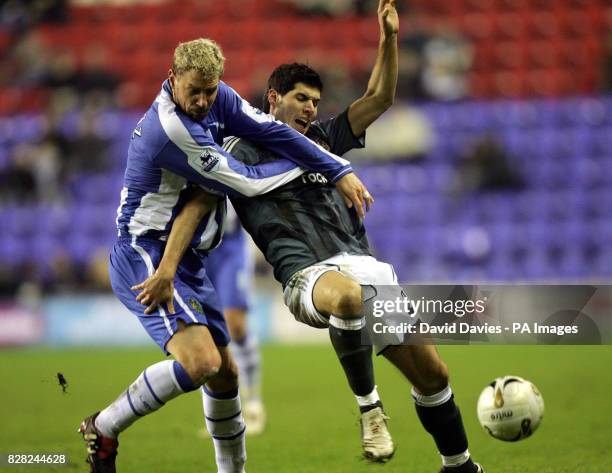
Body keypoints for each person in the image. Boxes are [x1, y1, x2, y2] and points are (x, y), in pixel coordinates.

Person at [135, 3, 485, 471]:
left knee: (433, 374)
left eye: (316, 102)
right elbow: (197, 203)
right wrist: (167, 268)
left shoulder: (321, 140)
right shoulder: (233, 151)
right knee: (347, 300)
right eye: (301, 98)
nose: (310, 109)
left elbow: (379, 98)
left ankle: (459, 464)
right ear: (272, 97)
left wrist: (388, 39)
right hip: (307, 276)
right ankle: (370, 410)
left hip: (367, 265)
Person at [78, 38, 373, 473]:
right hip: (147, 252)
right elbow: (248, 181)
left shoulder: (222, 100)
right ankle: (104, 426)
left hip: (189, 255)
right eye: (193, 90)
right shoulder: (171, 128)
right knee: (201, 363)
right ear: (172, 77)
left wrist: (339, 169)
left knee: (225, 375)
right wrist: (326, 163)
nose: (201, 101)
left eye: (209, 91)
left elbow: (276, 133)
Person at [203, 204, 266, 434]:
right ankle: (219, 414)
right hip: (197, 247)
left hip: (231, 246)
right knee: (207, 331)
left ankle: (252, 402)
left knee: (235, 325)